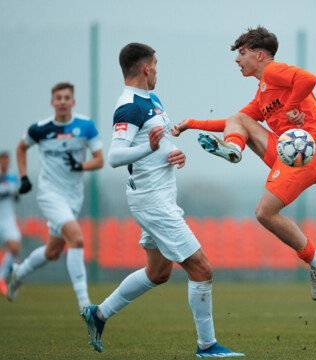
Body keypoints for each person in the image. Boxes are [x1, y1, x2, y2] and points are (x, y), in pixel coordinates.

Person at [80, 42, 243, 358]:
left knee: (158, 273)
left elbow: (158, 139)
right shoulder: (129, 106)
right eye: (155, 64)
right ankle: (207, 346)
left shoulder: (152, 99)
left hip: (160, 197)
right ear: (145, 67)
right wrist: (152, 150)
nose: (156, 69)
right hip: (153, 202)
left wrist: (172, 152)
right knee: (202, 269)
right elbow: (115, 156)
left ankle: (98, 314)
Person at [172, 26, 316, 301]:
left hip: (311, 151)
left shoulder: (273, 70)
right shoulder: (263, 92)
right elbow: (232, 122)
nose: (237, 59)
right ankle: (234, 149)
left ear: (260, 55)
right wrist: (191, 124)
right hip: (288, 153)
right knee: (241, 122)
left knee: (263, 212)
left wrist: (293, 105)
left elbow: (309, 78)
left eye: (242, 53)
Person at [7, 82, 104, 312]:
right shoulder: (40, 129)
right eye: (58, 98)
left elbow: (99, 160)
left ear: (73, 102)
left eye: (66, 97)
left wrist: (81, 166)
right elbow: (21, 148)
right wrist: (23, 177)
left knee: (53, 251)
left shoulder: (85, 126)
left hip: (73, 197)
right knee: (77, 239)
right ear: (52, 102)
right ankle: (85, 305)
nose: (62, 101)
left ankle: (18, 273)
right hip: (49, 194)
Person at [0, 151, 22, 296]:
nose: (6, 163)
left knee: (15, 248)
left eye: (8, 161)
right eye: (3, 160)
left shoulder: (13, 176)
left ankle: (1, 277)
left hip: (7, 219)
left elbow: (15, 196)